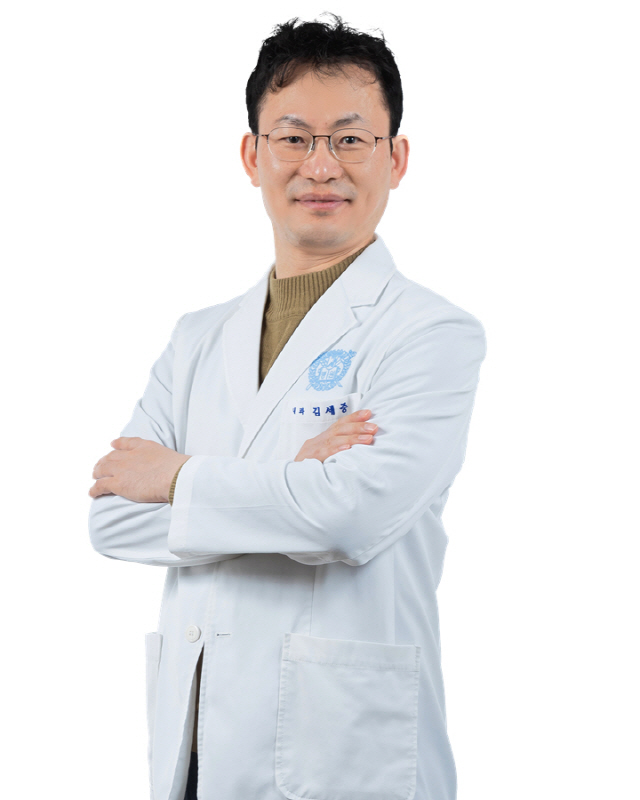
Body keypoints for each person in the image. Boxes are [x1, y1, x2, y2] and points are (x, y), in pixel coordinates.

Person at [88, 13, 487, 800]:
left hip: (340, 752)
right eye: (294, 138)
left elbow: (352, 517)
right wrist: (292, 481)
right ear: (253, 155)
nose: (321, 166)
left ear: (396, 158)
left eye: (350, 139)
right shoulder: (197, 337)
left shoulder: (432, 333)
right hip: (196, 745)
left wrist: (178, 478)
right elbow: (111, 518)